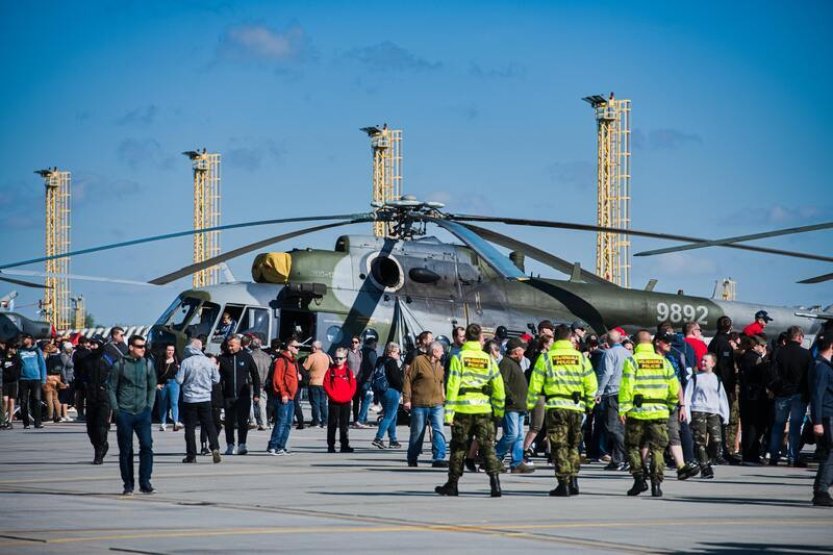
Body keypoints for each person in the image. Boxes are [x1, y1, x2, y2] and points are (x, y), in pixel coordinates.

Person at [435, 323, 506, 498]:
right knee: (488, 447)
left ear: (466, 337)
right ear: (480, 338)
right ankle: (495, 483)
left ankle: (452, 485)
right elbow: (498, 387)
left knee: (459, 448)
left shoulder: (459, 358)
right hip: (484, 409)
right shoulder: (488, 359)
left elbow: (452, 386)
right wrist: (498, 411)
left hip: (463, 410)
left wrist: (449, 414)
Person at [528, 325, 597, 496]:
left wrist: (529, 405)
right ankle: (573, 481)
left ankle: (563, 483)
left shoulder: (546, 358)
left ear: (555, 338)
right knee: (573, 445)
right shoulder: (580, 358)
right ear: (569, 338)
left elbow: (535, 384)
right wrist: (589, 404)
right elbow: (591, 383)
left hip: (556, 407)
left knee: (559, 446)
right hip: (576, 408)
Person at [619, 330, 680, 498]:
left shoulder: (632, 360)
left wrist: (623, 409)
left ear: (636, 343)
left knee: (632, 447)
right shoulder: (664, 362)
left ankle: (639, 480)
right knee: (658, 449)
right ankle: (656, 485)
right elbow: (674, 388)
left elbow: (626, 386)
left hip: (637, 413)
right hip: (659, 412)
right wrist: (669, 406)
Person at [108, 335, 156, 496]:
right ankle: (128, 484)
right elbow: (111, 388)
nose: (143, 349)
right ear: (131, 347)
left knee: (147, 446)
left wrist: (149, 407)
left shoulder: (148, 364)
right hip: (125, 413)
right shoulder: (119, 365)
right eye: (139, 346)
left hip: (143, 412)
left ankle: (145, 482)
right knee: (126, 450)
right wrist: (116, 410)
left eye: (144, 346)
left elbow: (152, 387)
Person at [767, 325, 813, 466]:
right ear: (799, 337)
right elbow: (809, 376)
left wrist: (776, 388)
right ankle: (793, 456)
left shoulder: (779, 352)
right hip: (799, 393)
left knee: (778, 425)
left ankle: (773, 455)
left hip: (782, 393)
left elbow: (773, 372)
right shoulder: (806, 354)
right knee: (795, 426)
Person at [684, 353, 730, 479]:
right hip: (698, 410)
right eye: (702, 360)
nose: (703, 363)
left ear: (713, 364)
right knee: (700, 440)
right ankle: (704, 467)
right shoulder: (695, 378)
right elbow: (687, 396)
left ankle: (709, 459)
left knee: (716, 440)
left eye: (706, 361)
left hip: (713, 411)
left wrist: (725, 414)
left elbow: (722, 397)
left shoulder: (717, 379)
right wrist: (687, 413)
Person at [176, 338, 221, 464]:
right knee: (209, 424)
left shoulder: (186, 362)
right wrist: (207, 384)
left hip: (190, 398)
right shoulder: (208, 362)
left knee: (190, 428)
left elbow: (179, 380)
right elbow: (216, 379)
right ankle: (215, 447)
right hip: (205, 397)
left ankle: (191, 455)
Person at [404, 340, 448, 468]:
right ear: (434, 351)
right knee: (418, 432)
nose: (443, 353)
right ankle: (412, 457)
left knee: (439, 430)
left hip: (437, 404)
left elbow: (441, 382)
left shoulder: (440, 365)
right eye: (441, 351)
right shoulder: (419, 361)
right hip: (420, 403)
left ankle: (439, 457)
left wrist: (444, 398)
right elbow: (408, 379)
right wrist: (406, 399)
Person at [218, 336, 261, 455]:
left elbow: (255, 376)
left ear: (239, 345)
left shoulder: (246, 357)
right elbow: (218, 379)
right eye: (228, 345)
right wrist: (219, 396)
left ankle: (242, 444)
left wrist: (256, 393)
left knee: (243, 422)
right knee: (229, 423)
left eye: (232, 345)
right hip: (228, 396)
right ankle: (230, 445)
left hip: (243, 396)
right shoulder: (223, 358)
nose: (230, 348)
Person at [496, 337, 533, 473]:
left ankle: (517, 463)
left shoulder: (515, 364)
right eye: (521, 350)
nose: (523, 352)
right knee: (511, 434)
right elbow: (502, 382)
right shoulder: (506, 363)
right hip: (511, 406)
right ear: (515, 351)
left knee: (519, 436)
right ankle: (494, 457)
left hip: (520, 407)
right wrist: (510, 397)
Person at [597, 328, 629, 471]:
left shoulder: (609, 353)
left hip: (613, 391)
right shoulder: (628, 353)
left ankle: (627, 454)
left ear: (608, 340)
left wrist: (599, 391)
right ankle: (617, 460)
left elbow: (607, 373)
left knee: (612, 427)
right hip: (626, 392)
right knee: (621, 427)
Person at [738, 335, 771, 464]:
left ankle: (747, 453)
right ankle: (752, 454)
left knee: (747, 426)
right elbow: (761, 376)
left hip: (745, 394)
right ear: (755, 345)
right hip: (755, 396)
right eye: (761, 345)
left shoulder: (743, 357)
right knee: (754, 426)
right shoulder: (756, 359)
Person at [809, 333, 833, 506]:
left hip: (826, 414)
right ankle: (821, 490)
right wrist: (817, 421)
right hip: (827, 415)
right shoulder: (822, 367)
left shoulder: (820, 364)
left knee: (828, 453)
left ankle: (822, 488)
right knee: (830, 453)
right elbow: (817, 395)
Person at [267, 337, 300, 455]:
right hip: (284, 396)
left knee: (288, 423)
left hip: (292, 396)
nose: (298, 349)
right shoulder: (282, 360)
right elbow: (277, 379)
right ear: (289, 347)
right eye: (296, 347)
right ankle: (273, 446)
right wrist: (283, 393)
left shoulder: (293, 361)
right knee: (281, 422)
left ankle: (281, 446)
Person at [82, 339, 111, 464]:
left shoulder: (107, 358)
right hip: (90, 398)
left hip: (104, 398)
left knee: (101, 427)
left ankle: (99, 452)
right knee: (91, 429)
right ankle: (100, 445)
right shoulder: (86, 360)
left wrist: (106, 387)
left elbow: (114, 374)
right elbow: (81, 376)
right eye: (91, 344)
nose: (92, 347)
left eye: (94, 344)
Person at [323, 347, 357, 453]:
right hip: (334, 402)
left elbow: (353, 386)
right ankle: (331, 446)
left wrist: (348, 397)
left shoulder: (348, 372)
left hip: (346, 402)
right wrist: (333, 396)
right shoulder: (330, 371)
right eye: (336, 358)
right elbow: (326, 384)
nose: (338, 360)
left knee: (344, 425)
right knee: (332, 424)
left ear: (345, 359)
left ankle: (344, 445)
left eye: (340, 358)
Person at [372, 342, 404, 449]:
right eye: (398, 353)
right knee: (389, 416)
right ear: (392, 352)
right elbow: (395, 379)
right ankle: (378, 438)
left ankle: (393, 440)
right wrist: (402, 388)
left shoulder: (380, 360)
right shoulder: (392, 362)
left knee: (393, 416)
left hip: (382, 392)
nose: (399, 355)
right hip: (392, 391)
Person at [17, 334, 46, 429]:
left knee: (37, 400)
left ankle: (38, 422)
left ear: (30, 339)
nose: (23, 340)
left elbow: (42, 365)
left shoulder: (37, 350)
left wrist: (43, 379)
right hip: (23, 379)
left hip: (36, 378)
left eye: (24, 338)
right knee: (23, 401)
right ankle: (26, 423)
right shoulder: (19, 351)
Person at [304, 341, 331, 428]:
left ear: (315, 348)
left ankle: (316, 421)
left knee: (315, 403)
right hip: (324, 382)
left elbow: (305, 367)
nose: (311, 348)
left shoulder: (312, 357)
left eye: (312, 347)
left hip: (314, 382)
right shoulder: (327, 356)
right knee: (323, 403)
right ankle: (325, 421)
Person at [248, 335, 272, 431]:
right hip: (264, 383)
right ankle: (264, 423)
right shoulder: (267, 357)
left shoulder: (250, 356)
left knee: (249, 402)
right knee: (262, 404)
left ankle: (252, 421)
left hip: (251, 383)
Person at [155, 344, 181, 431]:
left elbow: (181, 372)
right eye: (169, 350)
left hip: (174, 383)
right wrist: (157, 384)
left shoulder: (177, 359)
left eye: (172, 350)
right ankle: (163, 423)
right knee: (162, 404)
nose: (170, 352)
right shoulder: (160, 360)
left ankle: (175, 422)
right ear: (165, 351)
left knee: (174, 403)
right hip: (163, 384)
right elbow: (156, 373)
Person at [355, 336, 378, 427]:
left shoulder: (361, 351)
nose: (376, 346)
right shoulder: (371, 352)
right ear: (372, 344)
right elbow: (375, 365)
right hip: (369, 379)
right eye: (375, 344)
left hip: (360, 378)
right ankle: (361, 420)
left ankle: (364, 419)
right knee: (367, 400)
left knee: (364, 399)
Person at [2, 344, 20, 429]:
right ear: (8, 349)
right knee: (5, 400)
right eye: (12, 348)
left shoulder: (17, 358)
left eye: (14, 348)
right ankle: (2, 420)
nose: (13, 350)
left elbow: (19, 368)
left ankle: (9, 421)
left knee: (11, 401)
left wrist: (16, 377)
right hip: (5, 382)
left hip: (13, 382)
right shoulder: (3, 358)